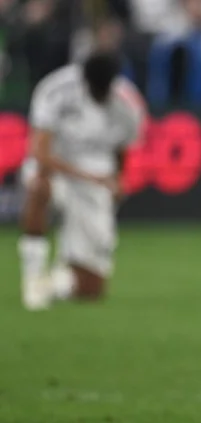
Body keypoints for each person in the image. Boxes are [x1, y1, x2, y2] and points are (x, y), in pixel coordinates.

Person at [17, 52, 144, 310]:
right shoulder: (56, 90)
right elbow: (40, 152)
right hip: (56, 170)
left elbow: (122, 147)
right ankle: (32, 276)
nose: (101, 95)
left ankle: (54, 282)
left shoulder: (128, 104)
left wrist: (119, 179)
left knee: (92, 289)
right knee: (38, 187)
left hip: (95, 182)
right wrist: (89, 176)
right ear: (85, 81)